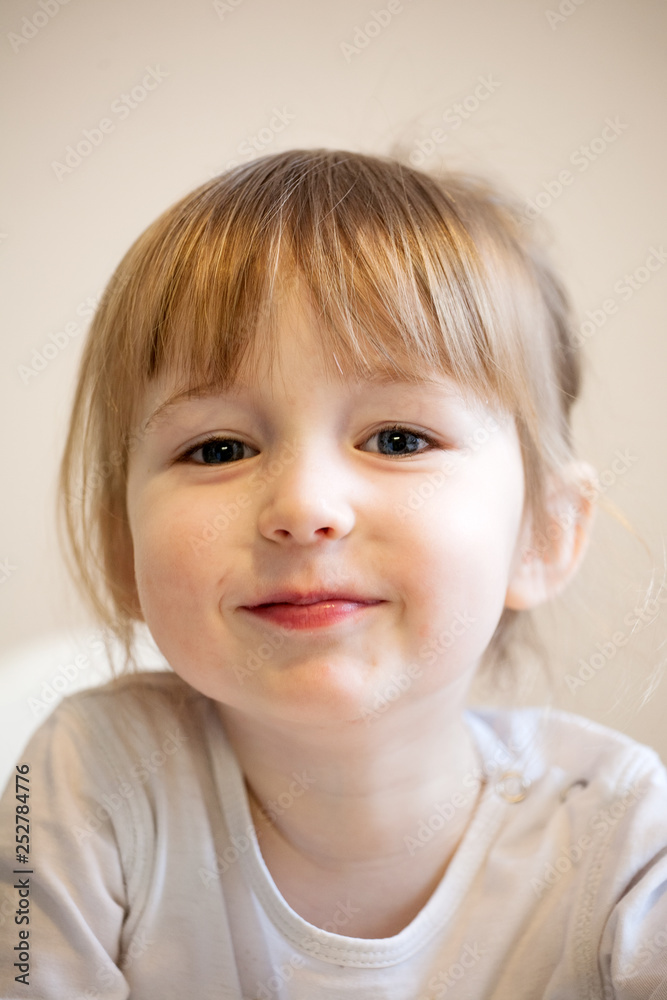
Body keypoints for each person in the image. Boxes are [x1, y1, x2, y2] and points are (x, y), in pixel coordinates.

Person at [1, 148, 665, 999]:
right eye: (219, 448)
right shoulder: (86, 780)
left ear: (541, 533)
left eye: (397, 439)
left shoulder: (619, 832)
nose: (304, 505)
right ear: (120, 545)